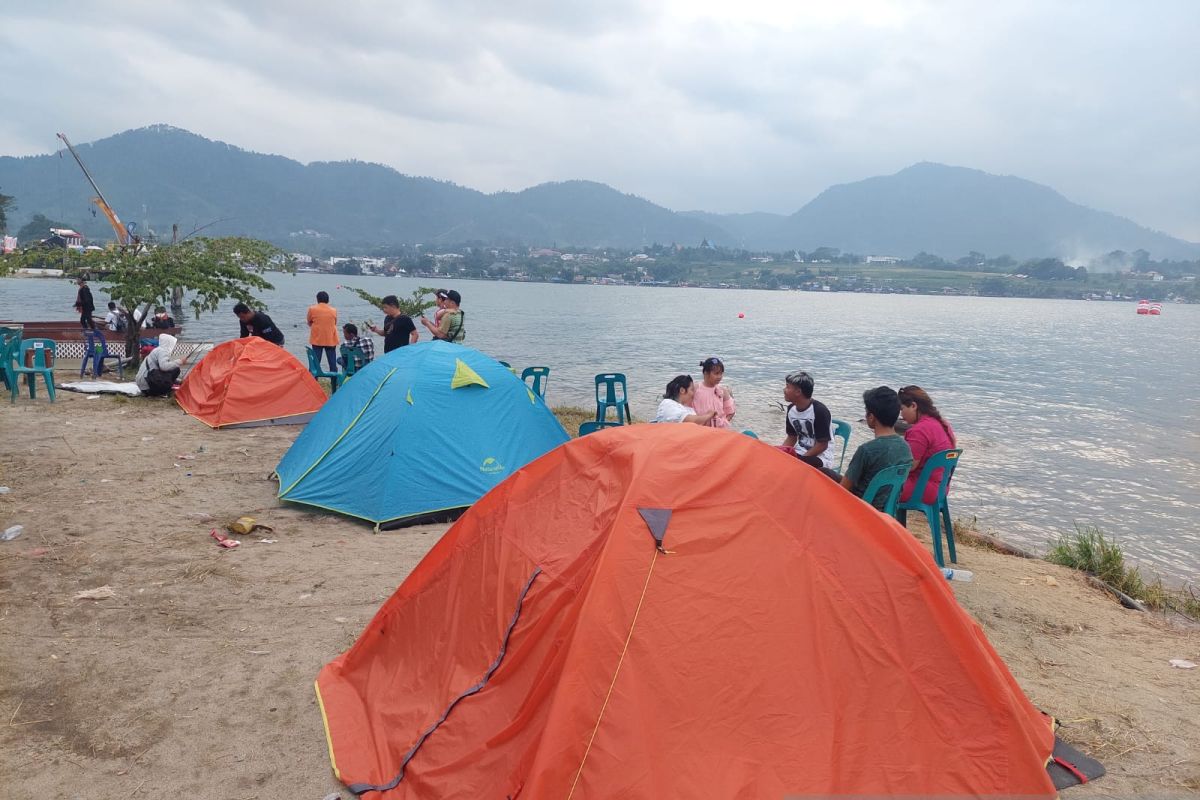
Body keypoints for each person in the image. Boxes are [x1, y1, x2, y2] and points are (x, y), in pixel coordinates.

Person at [840, 387, 914, 510]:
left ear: (871, 417)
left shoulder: (866, 450)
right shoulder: (905, 448)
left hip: (861, 507)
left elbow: (843, 488)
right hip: (887, 508)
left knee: (823, 474)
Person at [898, 385, 957, 504]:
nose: (901, 415)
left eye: (902, 409)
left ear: (913, 406)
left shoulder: (919, 430)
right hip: (941, 488)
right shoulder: (943, 424)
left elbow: (909, 466)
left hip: (921, 489)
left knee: (874, 487)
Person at [777, 371, 837, 475]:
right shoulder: (791, 409)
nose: (784, 390)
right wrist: (780, 452)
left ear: (798, 392)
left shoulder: (819, 411)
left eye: (787, 387)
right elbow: (791, 438)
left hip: (821, 457)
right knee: (774, 458)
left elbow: (822, 445)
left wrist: (800, 459)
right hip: (800, 453)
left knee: (791, 468)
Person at [691, 357, 736, 428]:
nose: (719, 377)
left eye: (721, 374)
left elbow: (731, 411)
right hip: (699, 429)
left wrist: (724, 422)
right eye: (716, 373)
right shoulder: (696, 389)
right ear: (706, 373)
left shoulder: (722, 391)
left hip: (719, 430)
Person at [307, 291, 339, 371]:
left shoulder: (312, 309)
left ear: (317, 299)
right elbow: (335, 323)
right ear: (328, 300)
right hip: (331, 339)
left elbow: (309, 322)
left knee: (315, 363)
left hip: (317, 339)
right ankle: (334, 382)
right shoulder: (334, 310)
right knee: (332, 363)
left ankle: (313, 381)